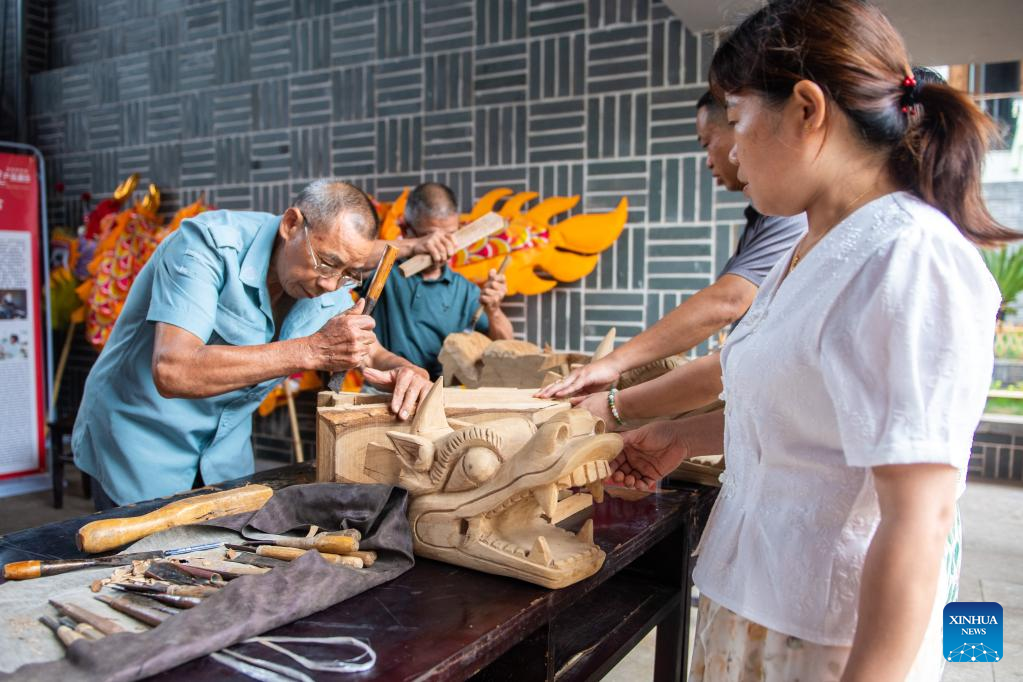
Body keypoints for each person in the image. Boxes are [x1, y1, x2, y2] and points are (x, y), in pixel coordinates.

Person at [608, 1, 1018, 680]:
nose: (731, 150)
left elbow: (919, 517)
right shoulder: (815, 245)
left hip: (828, 638)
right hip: (756, 602)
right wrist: (681, 436)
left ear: (805, 108)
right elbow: (807, 408)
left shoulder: (908, 257)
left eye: (736, 118)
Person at [73, 180, 433, 509]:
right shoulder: (206, 245)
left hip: (223, 454)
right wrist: (310, 350)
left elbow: (367, 350)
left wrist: (406, 371)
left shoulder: (330, 282)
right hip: (140, 439)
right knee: (139, 553)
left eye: (348, 274)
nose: (330, 285)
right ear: (291, 224)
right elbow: (173, 370)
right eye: (326, 263)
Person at [537, 92, 805, 410]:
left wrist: (616, 383)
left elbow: (728, 301)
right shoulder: (766, 216)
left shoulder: (792, 214)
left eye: (708, 142)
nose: (721, 158)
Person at [362, 182, 513, 380]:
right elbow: (354, 255)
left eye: (450, 236)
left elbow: (504, 346)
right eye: (429, 236)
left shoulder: (465, 290)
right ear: (406, 229)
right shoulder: (384, 271)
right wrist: (414, 245)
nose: (442, 247)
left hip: (441, 390)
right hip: (383, 387)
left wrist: (494, 311)